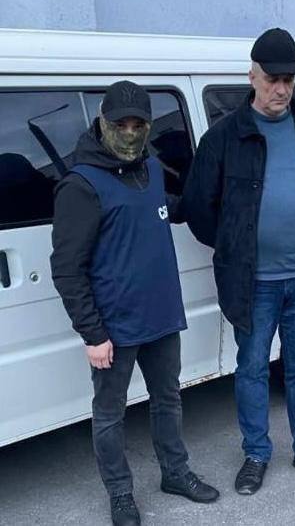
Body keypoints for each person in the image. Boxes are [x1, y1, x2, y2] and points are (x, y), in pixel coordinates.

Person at [183, 28, 295, 495]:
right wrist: (234, 244)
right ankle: (256, 453)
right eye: (272, 79)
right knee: (253, 368)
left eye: (289, 80)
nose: (281, 89)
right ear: (252, 76)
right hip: (254, 282)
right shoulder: (225, 137)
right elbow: (198, 206)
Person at [50, 80, 219, 526]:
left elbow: (163, 208)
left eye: (138, 124)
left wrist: (210, 195)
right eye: (120, 124)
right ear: (102, 123)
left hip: (161, 315)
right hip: (113, 327)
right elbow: (67, 269)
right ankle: (121, 494)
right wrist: (93, 334)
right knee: (110, 415)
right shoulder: (81, 185)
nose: (129, 132)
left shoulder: (152, 169)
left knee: (168, 400)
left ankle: (175, 473)